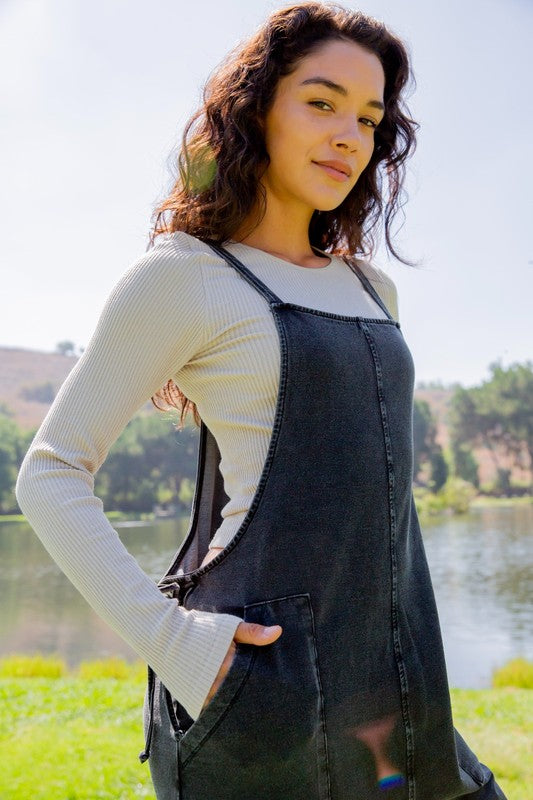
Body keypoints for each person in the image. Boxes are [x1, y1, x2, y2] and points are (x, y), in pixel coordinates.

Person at [16, 2, 507, 799]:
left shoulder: (369, 286)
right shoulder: (183, 277)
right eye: (320, 102)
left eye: (369, 118)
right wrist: (178, 647)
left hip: (400, 684)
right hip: (262, 701)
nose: (349, 134)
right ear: (257, 110)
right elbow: (49, 474)